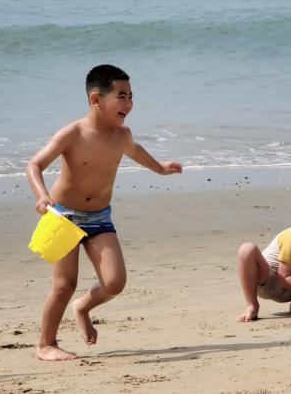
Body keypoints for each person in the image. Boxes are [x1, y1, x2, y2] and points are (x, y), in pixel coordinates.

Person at [26, 64, 182, 361]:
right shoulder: (72, 134)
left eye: (131, 96)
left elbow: (137, 152)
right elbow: (34, 165)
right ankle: (45, 344)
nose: (129, 104)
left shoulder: (121, 136)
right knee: (63, 284)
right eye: (121, 96)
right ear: (96, 99)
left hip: (99, 217)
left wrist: (161, 168)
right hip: (63, 216)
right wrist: (42, 196)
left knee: (115, 283)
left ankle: (83, 307)